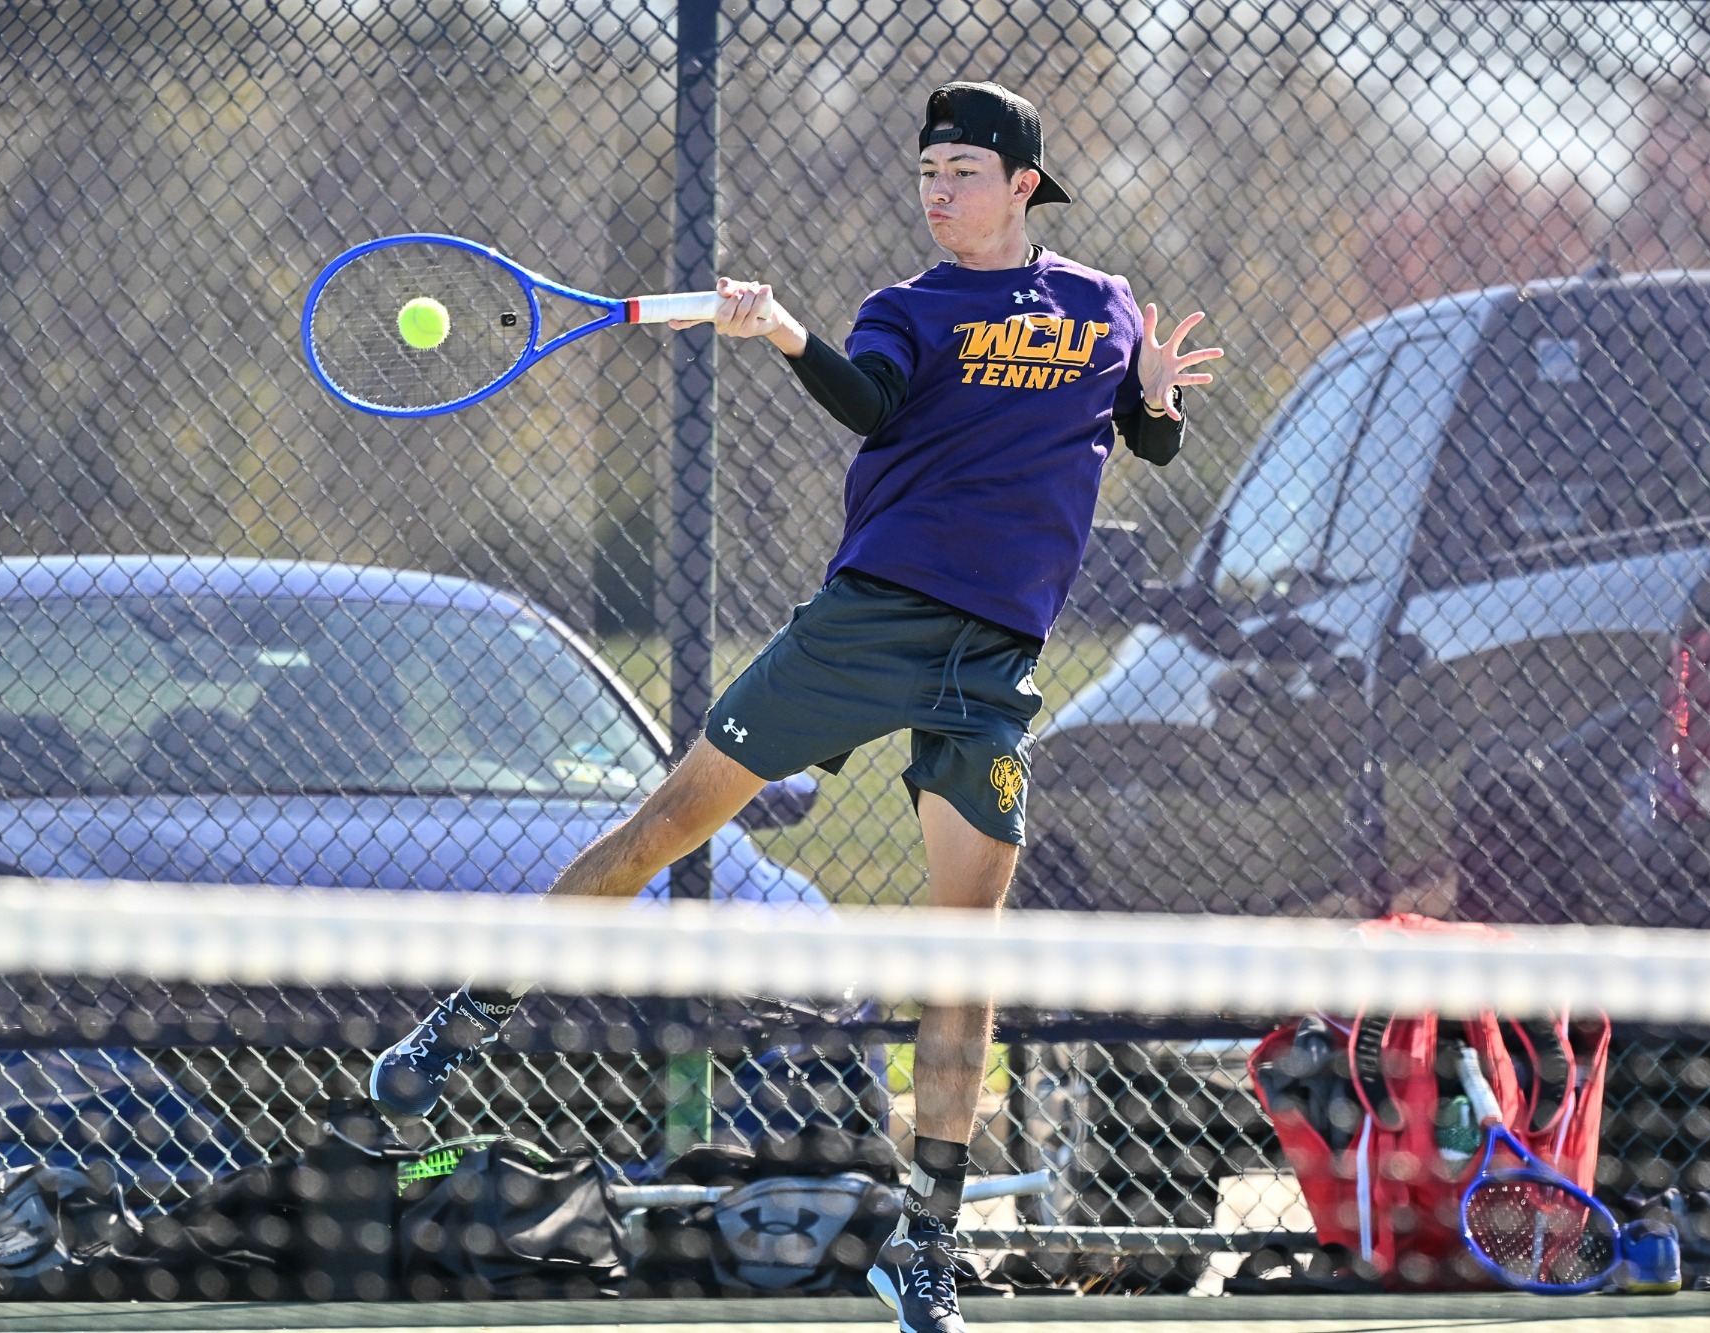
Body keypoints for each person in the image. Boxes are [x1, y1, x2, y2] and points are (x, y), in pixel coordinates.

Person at [368, 80, 1221, 1333]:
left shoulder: (1101, 304)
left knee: (961, 950)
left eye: (962, 171)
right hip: (869, 620)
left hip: (994, 662)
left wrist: (1155, 391)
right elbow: (870, 402)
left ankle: (923, 1245)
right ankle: (470, 1011)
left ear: (1022, 184)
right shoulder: (906, 310)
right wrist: (782, 334)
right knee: (666, 824)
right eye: (925, 170)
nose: (937, 191)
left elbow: (1146, 446)